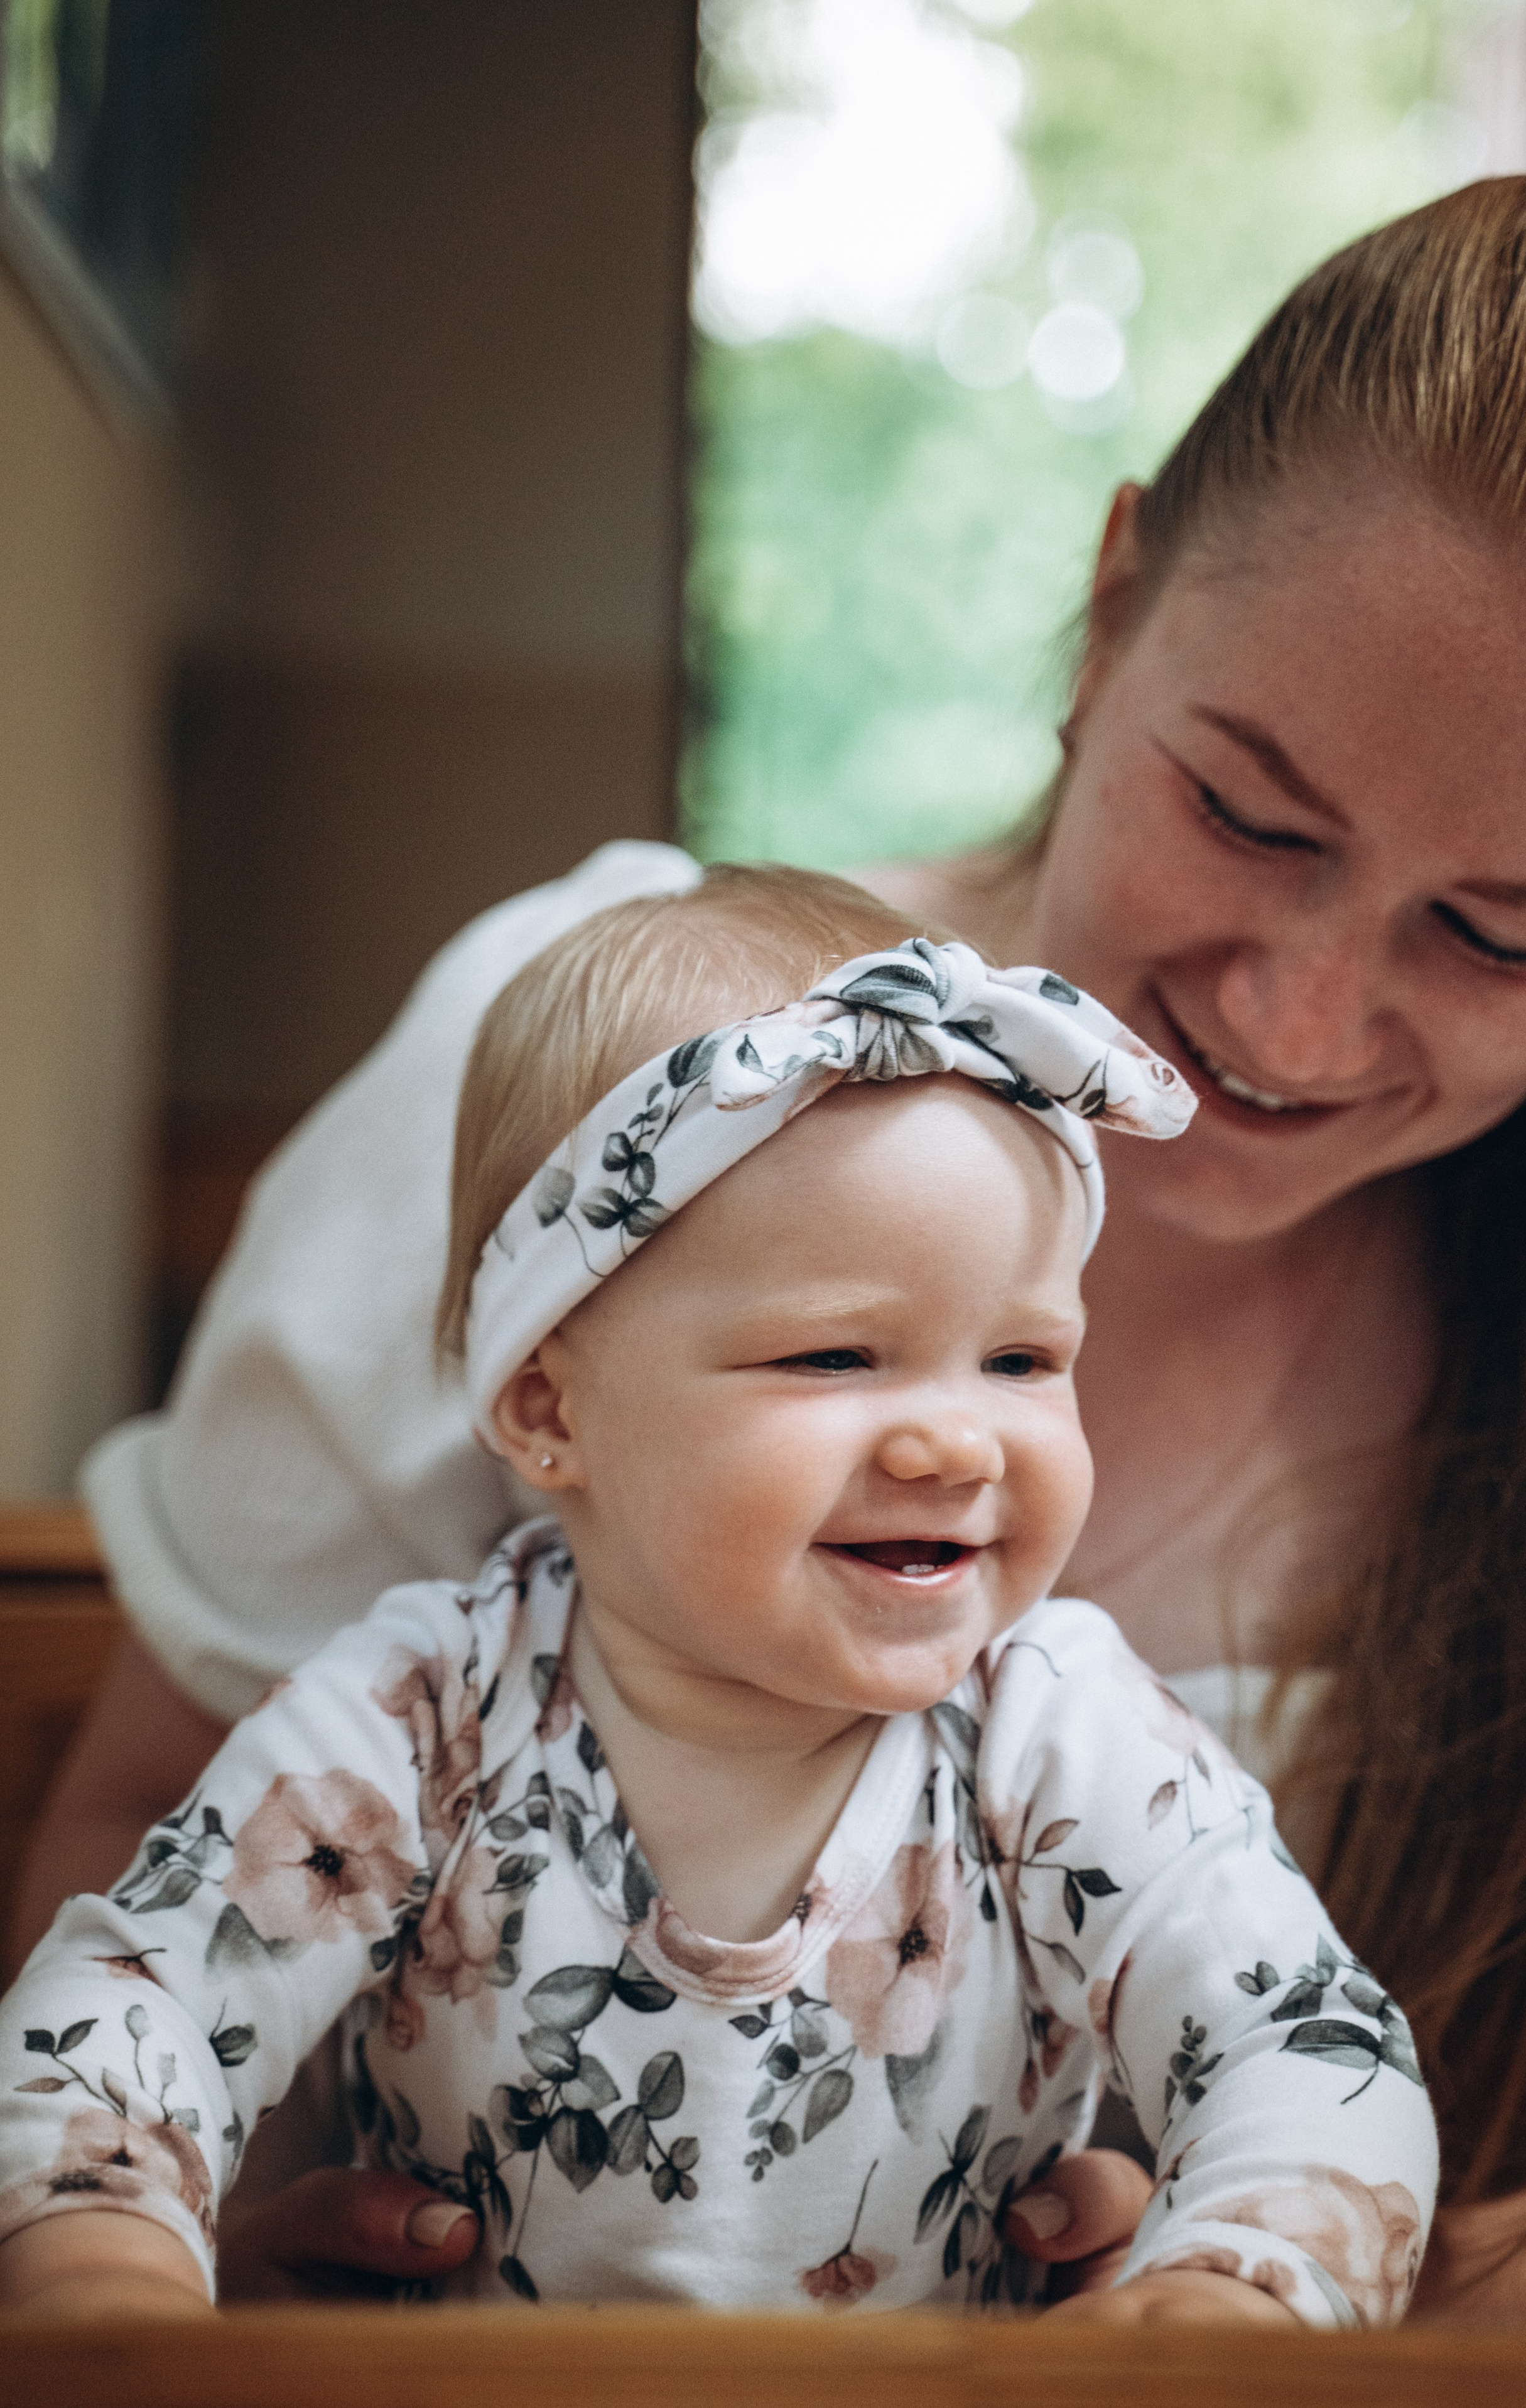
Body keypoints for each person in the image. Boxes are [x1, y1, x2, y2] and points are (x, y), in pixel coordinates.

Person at [11, 171, 1526, 2317]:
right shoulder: (606, 1087)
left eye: (1500, 935)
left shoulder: (1071, 1723)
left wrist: (1235, 2285)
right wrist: (179, 2263)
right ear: (1113, 605)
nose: (1299, 1019)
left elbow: (1323, 2076)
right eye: (1247, 812)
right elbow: (135, 1935)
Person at [0, 878, 1438, 2324]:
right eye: (832, 1356)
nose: (956, 1441)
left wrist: (1240, 2288)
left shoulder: (1057, 1732)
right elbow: (141, 1996)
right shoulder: (422, 1717)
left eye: (1019, 1359)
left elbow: (1301, 2040)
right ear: (551, 1408)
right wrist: (103, 2256)